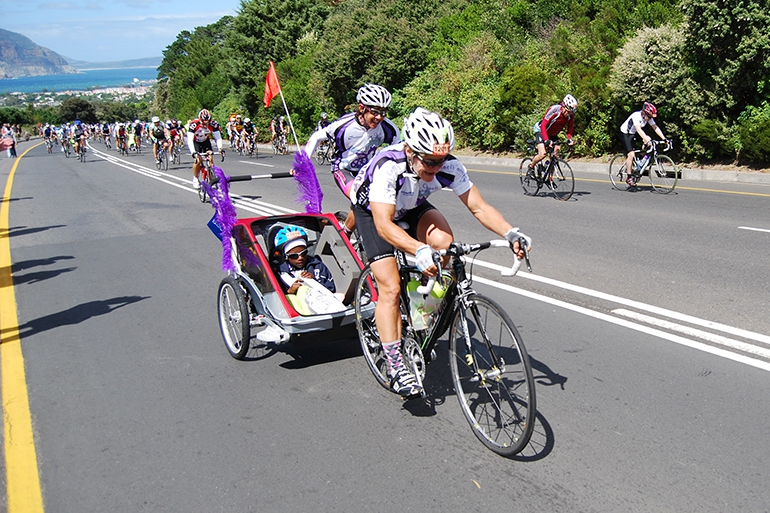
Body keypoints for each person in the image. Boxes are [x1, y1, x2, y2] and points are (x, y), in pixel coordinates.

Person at [348, 107, 531, 397]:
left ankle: (420, 317)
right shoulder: (389, 164)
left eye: (441, 160)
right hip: (374, 212)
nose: (436, 168)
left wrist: (509, 232)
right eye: (429, 162)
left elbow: (478, 206)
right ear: (409, 150)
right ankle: (396, 365)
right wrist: (418, 249)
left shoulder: (448, 166)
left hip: (411, 202)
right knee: (391, 287)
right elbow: (384, 224)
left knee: (446, 245)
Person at [304, 84, 401, 234]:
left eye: (384, 112)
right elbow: (316, 137)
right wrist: (304, 163)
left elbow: (397, 149)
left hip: (368, 171)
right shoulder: (344, 125)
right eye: (375, 112)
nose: (380, 117)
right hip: (344, 169)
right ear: (362, 108)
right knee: (360, 198)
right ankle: (345, 234)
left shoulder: (388, 128)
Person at [528, 94, 577, 184]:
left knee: (555, 154)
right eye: (569, 111)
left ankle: (549, 179)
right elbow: (543, 125)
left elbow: (570, 127)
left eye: (571, 112)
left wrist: (569, 138)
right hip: (541, 130)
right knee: (542, 154)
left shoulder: (570, 115)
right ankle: (531, 167)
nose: (569, 114)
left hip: (553, 134)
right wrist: (546, 140)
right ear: (564, 106)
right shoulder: (555, 109)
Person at [273, 225, 336, 295]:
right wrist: (289, 291)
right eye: (294, 256)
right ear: (285, 257)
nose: (300, 258)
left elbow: (331, 288)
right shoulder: (279, 273)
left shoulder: (317, 266)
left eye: (304, 253)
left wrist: (315, 281)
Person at [620, 102, 668, 186]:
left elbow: (655, 127)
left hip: (634, 133)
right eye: (649, 117)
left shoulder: (648, 117)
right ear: (644, 113)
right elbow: (638, 129)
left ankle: (640, 161)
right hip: (626, 134)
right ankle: (628, 177)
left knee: (648, 140)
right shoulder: (636, 116)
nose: (650, 119)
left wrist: (664, 139)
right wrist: (646, 139)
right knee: (631, 154)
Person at [187, 108, 224, 189]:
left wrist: (220, 148)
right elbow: (189, 139)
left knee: (210, 158)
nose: (206, 125)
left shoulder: (213, 124)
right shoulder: (194, 124)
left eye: (207, 122)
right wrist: (193, 152)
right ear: (200, 120)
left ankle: (212, 180)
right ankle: (196, 178)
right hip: (195, 142)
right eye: (204, 123)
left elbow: (218, 137)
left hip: (205, 141)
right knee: (198, 160)